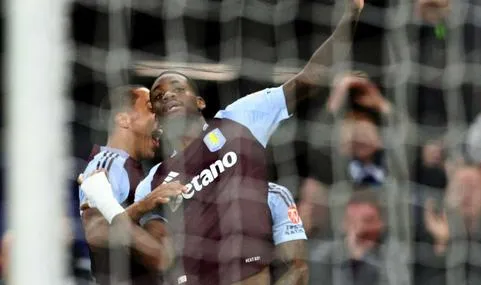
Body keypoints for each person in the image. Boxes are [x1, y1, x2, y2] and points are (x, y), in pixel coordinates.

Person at [85, 1, 366, 284]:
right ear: (156, 115)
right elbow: (163, 258)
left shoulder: (239, 118)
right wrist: (132, 207)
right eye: (158, 97)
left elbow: (310, 79)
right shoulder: (153, 183)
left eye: (178, 89)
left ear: (199, 101)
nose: (168, 97)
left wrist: (350, 14)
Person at [78, 85, 186, 285]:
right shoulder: (107, 164)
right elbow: (96, 231)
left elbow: (161, 255)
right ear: (124, 119)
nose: (160, 116)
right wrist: (144, 204)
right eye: (151, 109)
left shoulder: (142, 176)